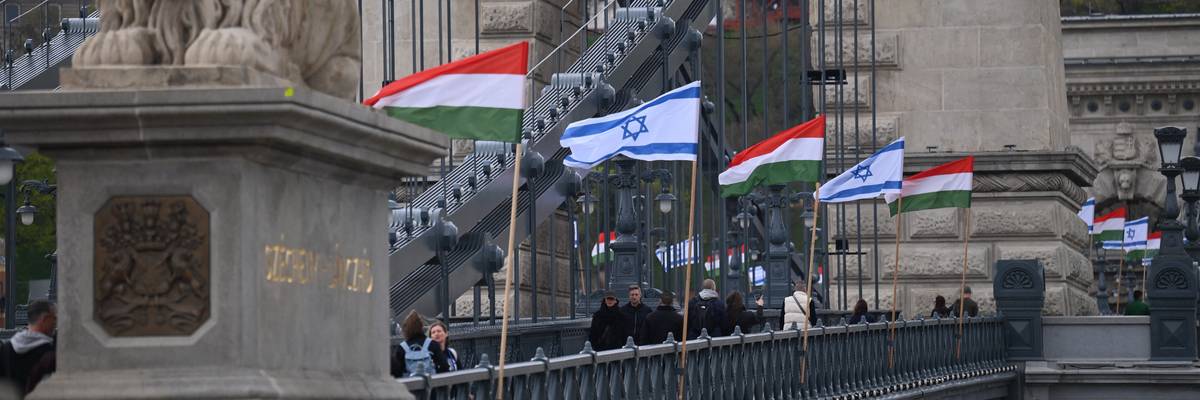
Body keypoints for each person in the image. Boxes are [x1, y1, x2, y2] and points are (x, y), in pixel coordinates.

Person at [1, 300, 56, 395]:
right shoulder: (49, 353)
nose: (55, 323)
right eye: (54, 318)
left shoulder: (6, 348)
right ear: (45, 319)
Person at [390, 311, 449, 377]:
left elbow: (396, 371)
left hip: (410, 386)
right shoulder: (432, 344)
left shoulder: (402, 348)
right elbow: (444, 366)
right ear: (421, 327)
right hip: (431, 384)